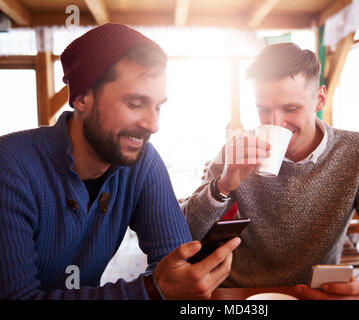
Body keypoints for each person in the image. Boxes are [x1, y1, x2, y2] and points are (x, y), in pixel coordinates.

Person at [0, 23, 240, 300]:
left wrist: (188, 278)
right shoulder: (10, 166)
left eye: (158, 106)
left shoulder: (142, 161)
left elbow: (176, 261)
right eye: (134, 104)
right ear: (81, 98)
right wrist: (151, 290)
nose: (152, 124)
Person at [181, 42, 359, 300]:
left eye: (291, 109)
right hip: (241, 294)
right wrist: (221, 186)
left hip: (316, 295)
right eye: (264, 110)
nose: (276, 123)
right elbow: (182, 234)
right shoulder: (236, 151)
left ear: (319, 99)